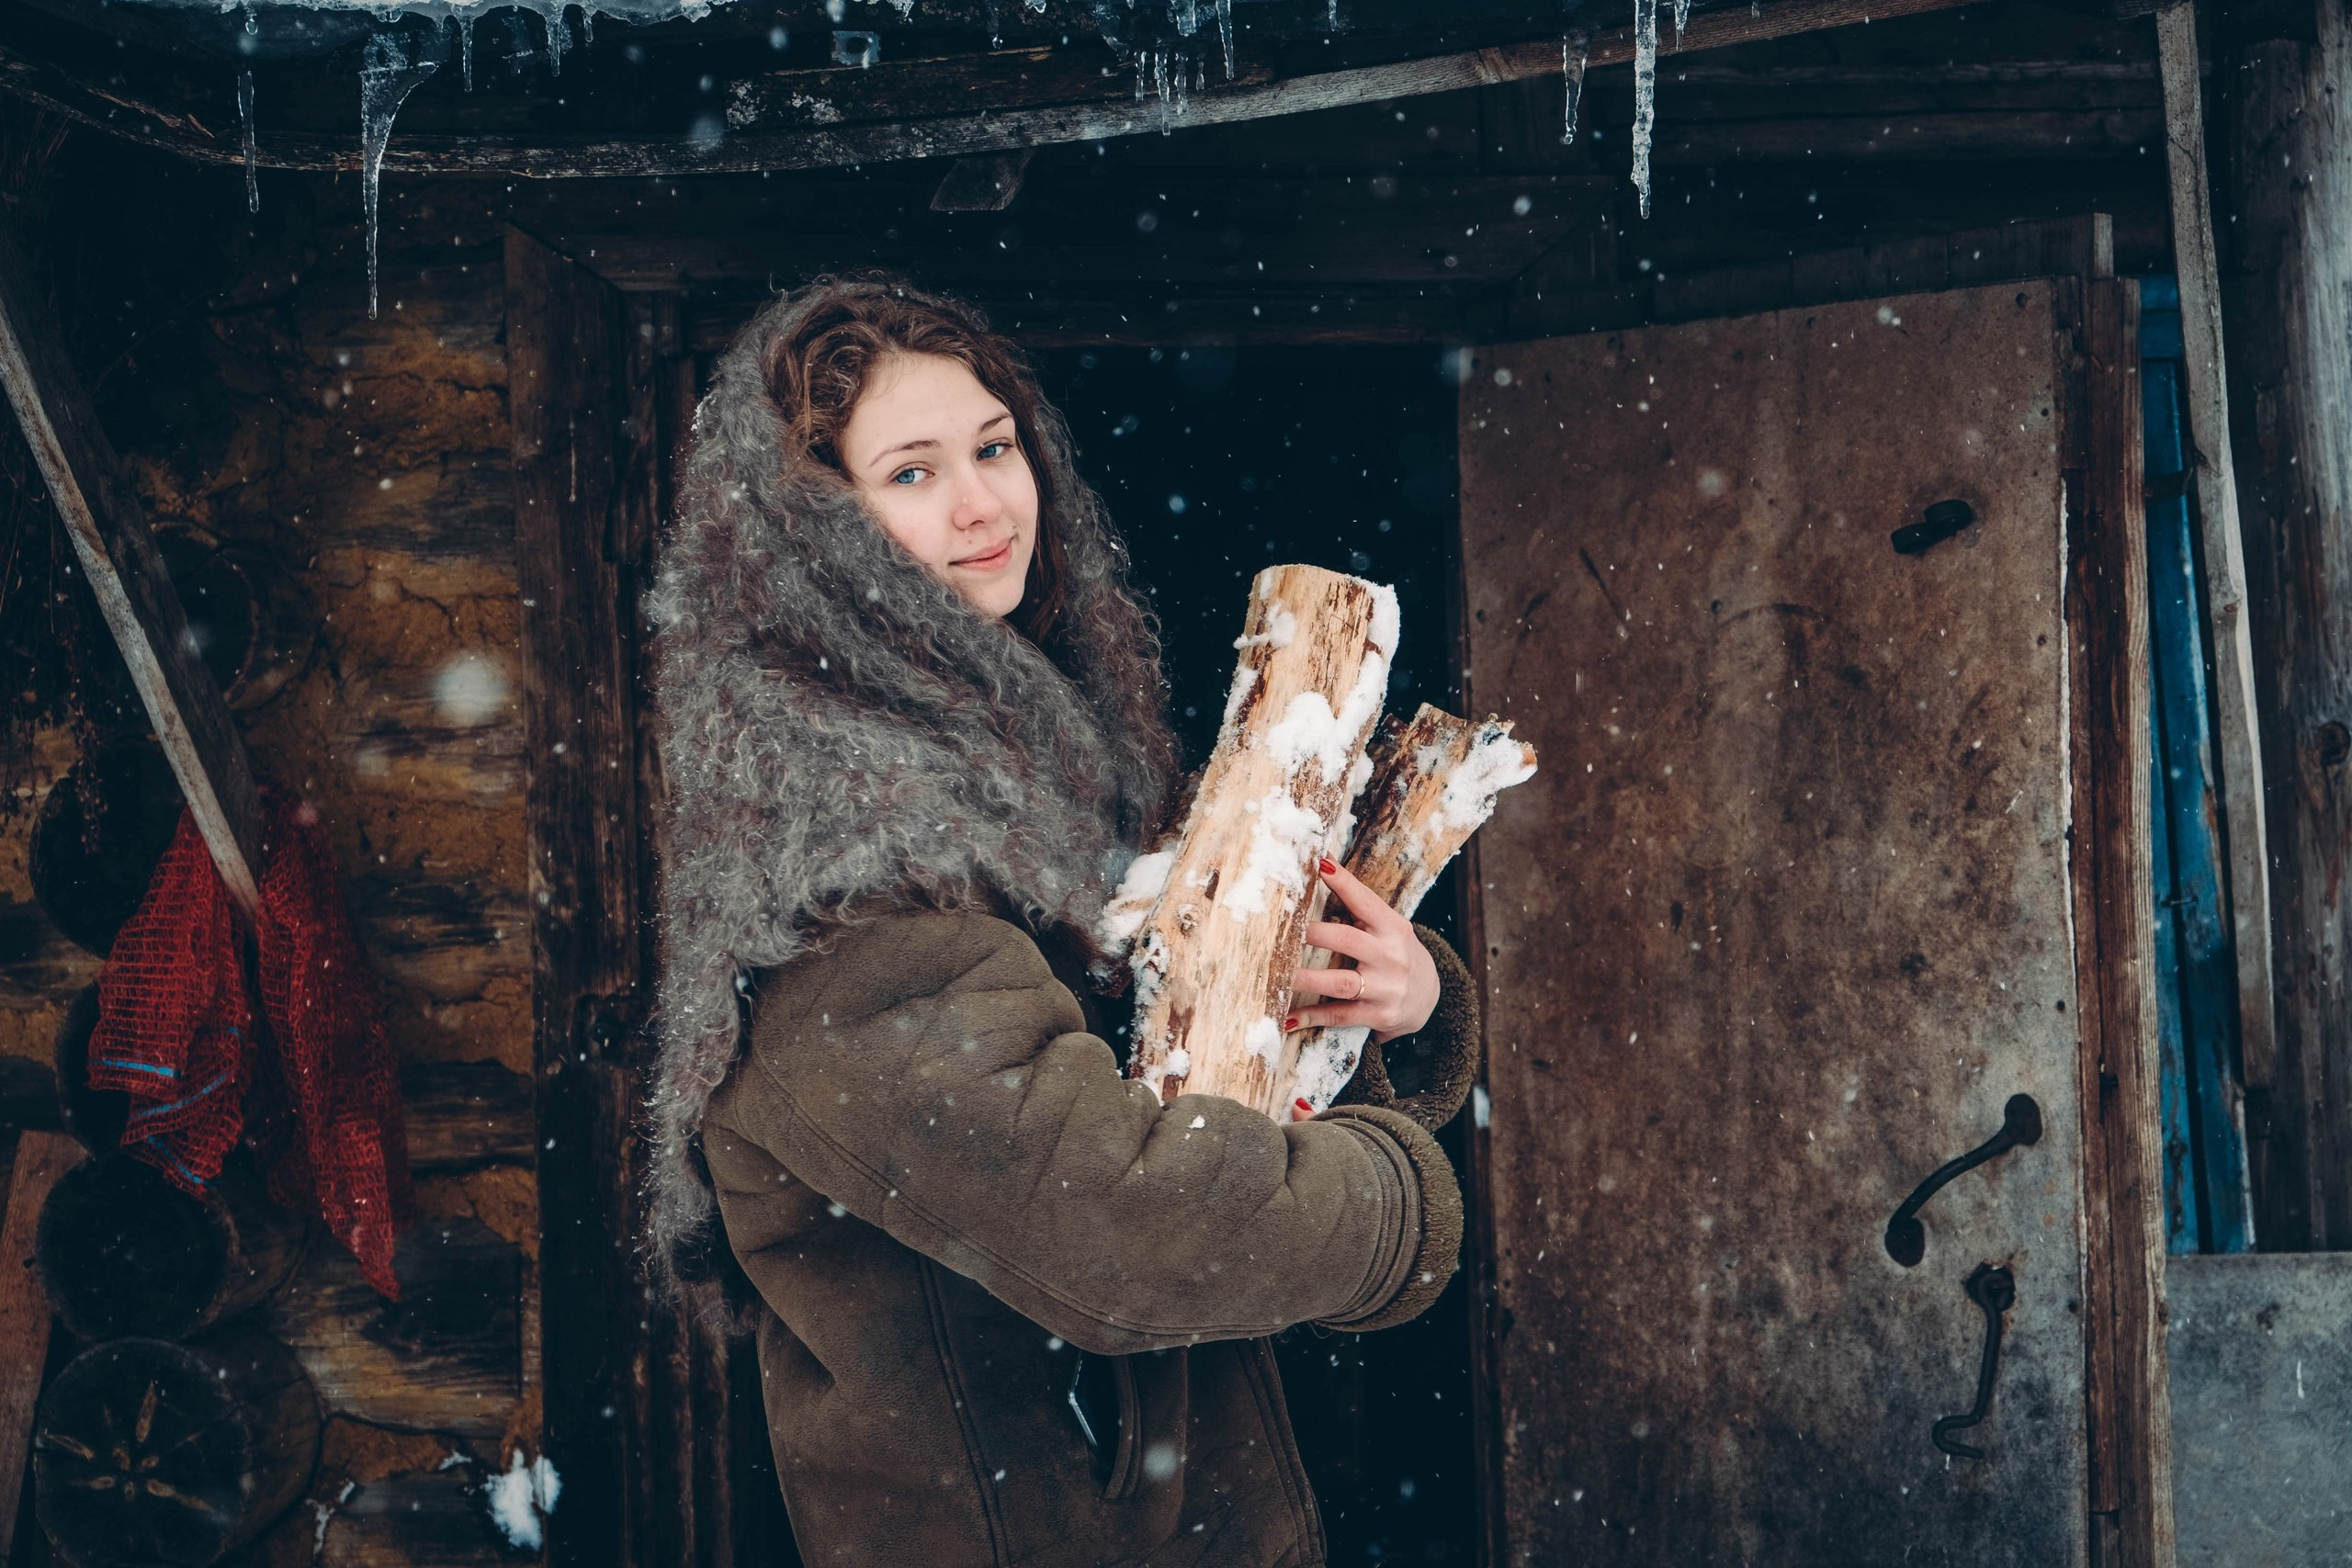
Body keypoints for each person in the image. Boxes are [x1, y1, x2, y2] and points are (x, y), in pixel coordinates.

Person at [639, 273, 1481, 1568]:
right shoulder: (839, 878)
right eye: (910, 475)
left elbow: (1183, 1078)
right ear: (815, 541)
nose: (983, 503)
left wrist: (1388, 1012)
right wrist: (1404, 1203)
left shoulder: (1034, 777)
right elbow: (1127, 1227)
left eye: (992, 445)